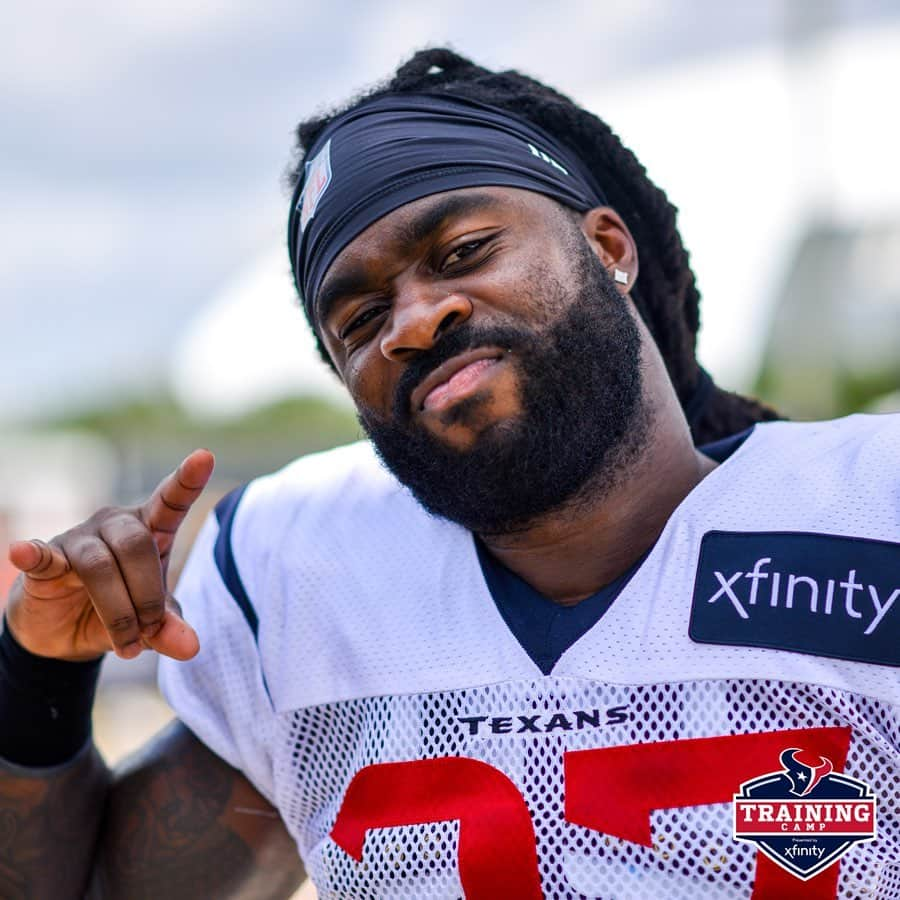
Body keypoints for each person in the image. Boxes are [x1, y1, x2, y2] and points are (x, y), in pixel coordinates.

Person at [1, 47, 897, 900]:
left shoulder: (871, 508)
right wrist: (35, 673)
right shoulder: (306, 572)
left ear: (609, 247)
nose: (415, 321)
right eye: (358, 320)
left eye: (463, 252)